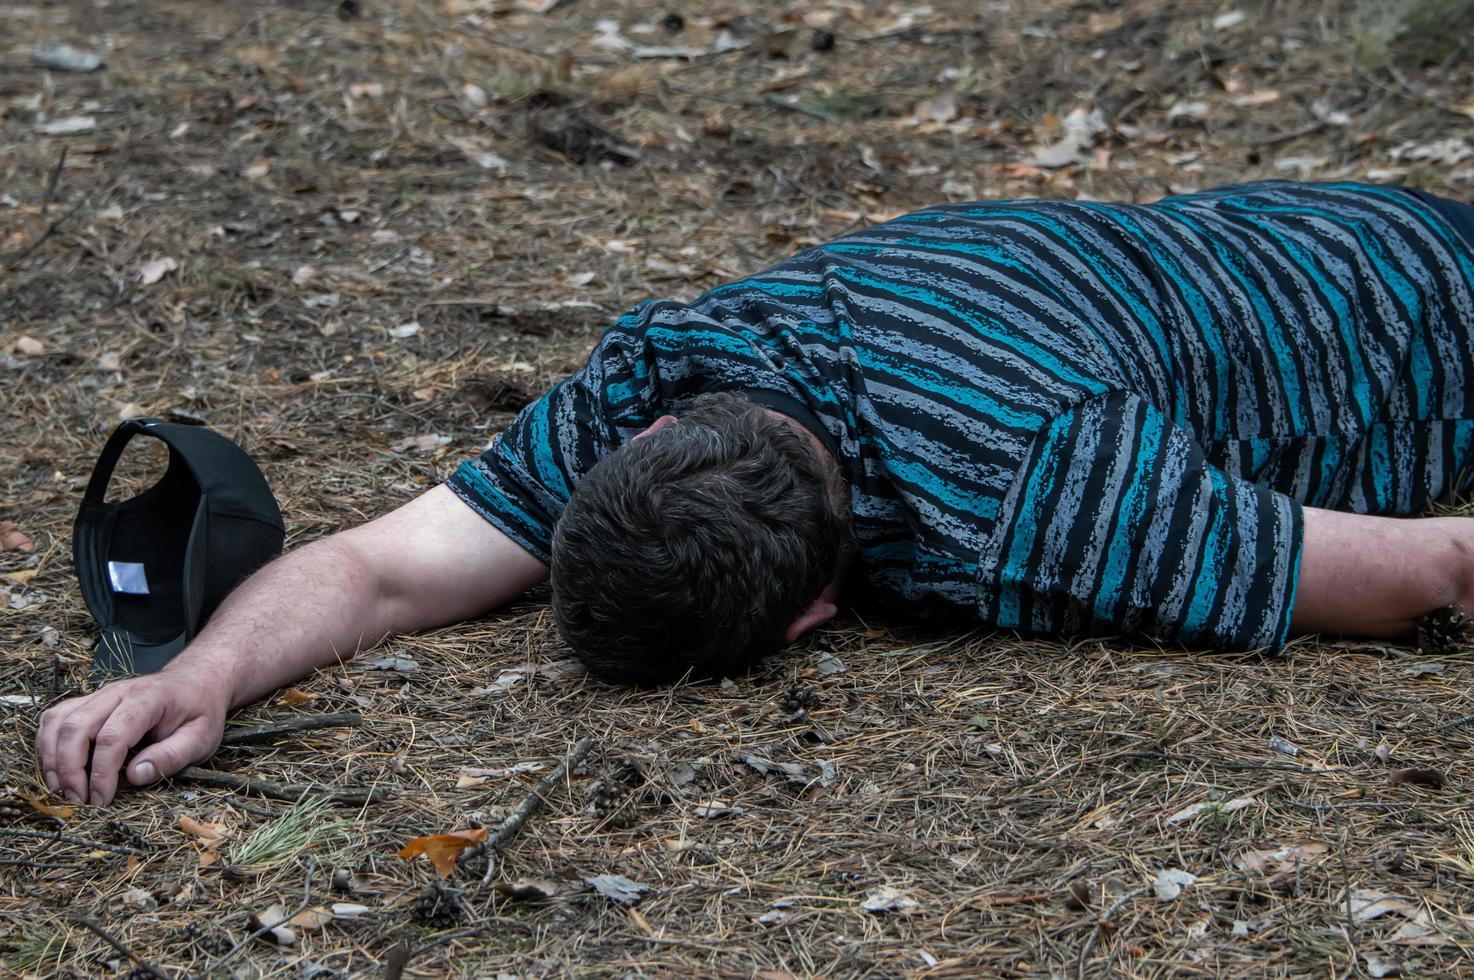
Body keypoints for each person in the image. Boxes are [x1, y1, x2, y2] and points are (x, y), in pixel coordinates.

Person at [36, 180, 1474, 806]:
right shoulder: (674, 366)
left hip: (1427, 308)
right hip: (1271, 230)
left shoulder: (1034, 487)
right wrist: (204, 668)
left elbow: (1429, 571)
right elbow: (383, 569)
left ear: (812, 619)